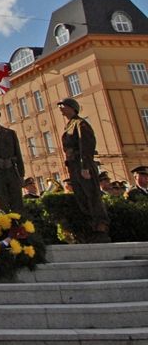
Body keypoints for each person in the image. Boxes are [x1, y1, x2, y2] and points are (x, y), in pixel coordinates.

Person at [58, 97, 110, 242]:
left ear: (72, 107)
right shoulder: (70, 125)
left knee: (92, 197)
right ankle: (91, 227)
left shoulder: (80, 124)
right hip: (74, 166)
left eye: (63, 106)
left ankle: (101, 228)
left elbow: (86, 146)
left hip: (83, 166)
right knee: (82, 197)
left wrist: (85, 166)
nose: (61, 109)